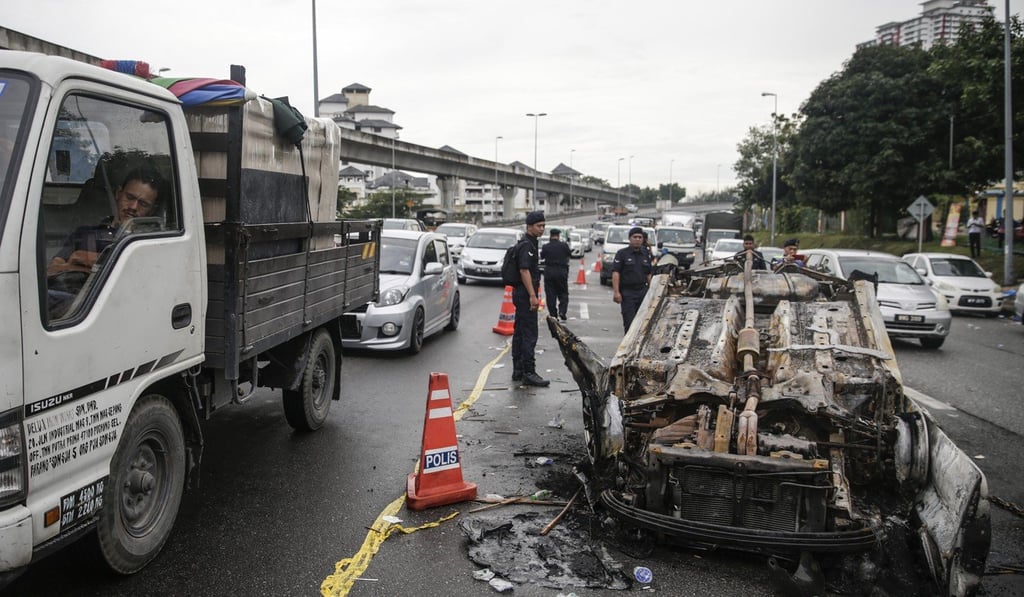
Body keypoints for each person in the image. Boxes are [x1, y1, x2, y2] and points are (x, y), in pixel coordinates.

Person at [48, 165, 162, 276]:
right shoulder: (84, 233)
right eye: (130, 197)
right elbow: (52, 269)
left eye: (143, 204)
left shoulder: (151, 241)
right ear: (118, 194)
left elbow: (139, 271)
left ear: (152, 210)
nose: (133, 207)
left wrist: (84, 257)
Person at [511, 211, 550, 387]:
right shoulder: (528, 245)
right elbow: (524, 270)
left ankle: (518, 371)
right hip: (525, 295)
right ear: (529, 226)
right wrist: (533, 296)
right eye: (539, 226)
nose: (542, 229)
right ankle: (529, 372)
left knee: (520, 332)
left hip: (522, 294)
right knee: (529, 334)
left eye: (543, 226)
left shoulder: (529, 243)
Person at [612, 226, 653, 332]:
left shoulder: (645, 253)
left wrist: (652, 292)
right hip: (627, 293)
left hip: (642, 292)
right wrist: (616, 292)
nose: (638, 239)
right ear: (630, 239)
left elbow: (648, 274)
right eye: (635, 237)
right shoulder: (622, 254)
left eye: (640, 237)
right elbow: (616, 273)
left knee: (642, 323)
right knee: (629, 323)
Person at [540, 228, 571, 321]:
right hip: (561, 271)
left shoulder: (546, 246)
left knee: (550, 294)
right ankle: (562, 311)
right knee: (563, 293)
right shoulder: (564, 246)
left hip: (549, 271)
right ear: (558, 236)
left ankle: (553, 314)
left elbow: (542, 256)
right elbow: (569, 254)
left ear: (550, 236)